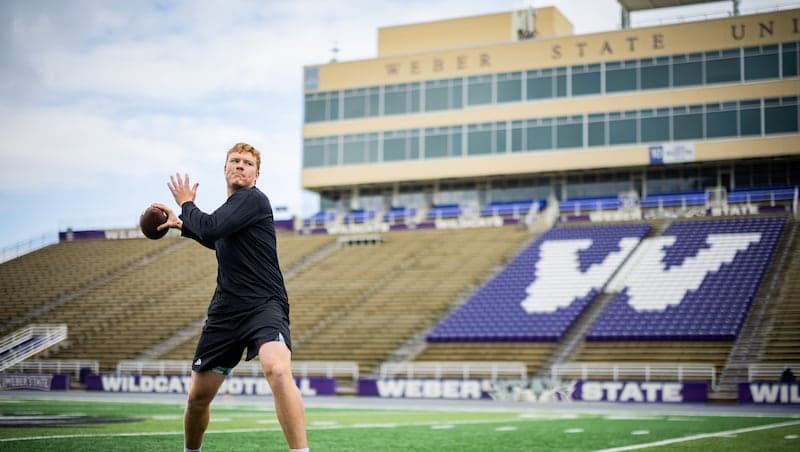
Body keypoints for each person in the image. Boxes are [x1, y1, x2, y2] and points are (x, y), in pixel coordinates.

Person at [153, 142, 308, 452]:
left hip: (264, 304)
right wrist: (183, 225)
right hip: (226, 311)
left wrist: (186, 204)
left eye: (247, 163)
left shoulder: (253, 200)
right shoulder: (231, 212)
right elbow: (217, 238)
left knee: (277, 368)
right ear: (225, 169)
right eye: (234, 160)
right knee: (198, 398)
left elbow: (212, 229)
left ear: (256, 174)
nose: (240, 165)